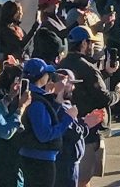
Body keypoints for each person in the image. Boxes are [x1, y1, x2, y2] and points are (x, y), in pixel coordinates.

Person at [57, 26, 120, 187]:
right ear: (84, 44)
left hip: (69, 127)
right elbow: (103, 98)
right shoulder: (88, 67)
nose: (93, 46)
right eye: (90, 43)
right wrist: (119, 93)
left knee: (77, 176)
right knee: (83, 178)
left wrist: (106, 73)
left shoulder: (63, 64)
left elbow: (87, 87)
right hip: (89, 130)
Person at [17, 58, 75, 187]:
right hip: (40, 159)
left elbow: (44, 118)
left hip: (29, 154)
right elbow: (44, 135)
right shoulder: (36, 101)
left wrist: (57, 98)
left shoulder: (27, 94)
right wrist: (68, 119)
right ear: (41, 77)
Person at [53, 68, 104, 187]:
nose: (73, 88)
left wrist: (83, 121)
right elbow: (70, 133)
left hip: (71, 163)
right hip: (65, 163)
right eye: (71, 84)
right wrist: (86, 125)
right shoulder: (59, 108)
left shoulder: (65, 105)